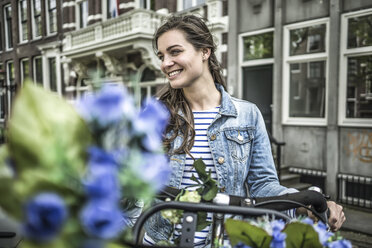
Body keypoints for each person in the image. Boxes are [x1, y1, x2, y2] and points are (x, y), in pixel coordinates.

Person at [143, 14, 345, 246]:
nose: (165, 63)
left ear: (204, 51)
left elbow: (262, 184)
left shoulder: (247, 115)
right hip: (159, 241)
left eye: (175, 52)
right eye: (161, 56)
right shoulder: (156, 117)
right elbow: (133, 184)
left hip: (223, 240)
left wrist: (307, 201)